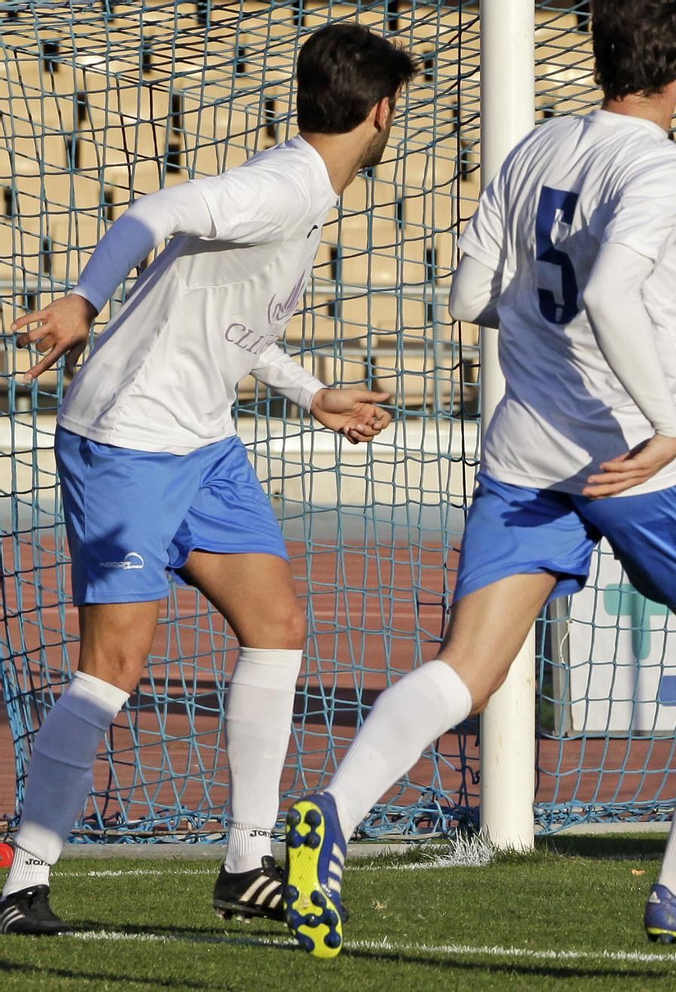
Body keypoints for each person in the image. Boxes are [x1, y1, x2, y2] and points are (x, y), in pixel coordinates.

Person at [280, 0, 676, 958]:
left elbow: (471, 295)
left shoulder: (536, 146)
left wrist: (550, 338)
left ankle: (333, 815)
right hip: (632, 452)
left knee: (467, 670)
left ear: (599, 57)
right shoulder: (665, 167)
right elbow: (609, 291)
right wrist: (670, 421)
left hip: (523, 450)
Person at [0, 23, 405, 935]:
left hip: (205, 440)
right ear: (382, 113)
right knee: (115, 667)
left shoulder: (303, 189)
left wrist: (310, 393)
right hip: (128, 438)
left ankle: (246, 864)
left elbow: (234, 323)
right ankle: (23, 881)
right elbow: (153, 213)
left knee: (277, 626)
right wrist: (84, 299)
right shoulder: (283, 186)